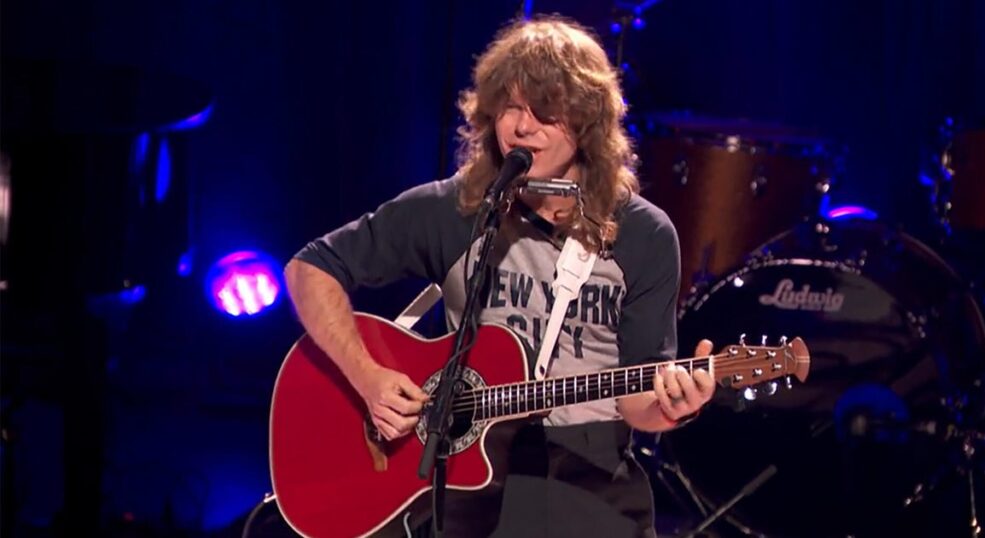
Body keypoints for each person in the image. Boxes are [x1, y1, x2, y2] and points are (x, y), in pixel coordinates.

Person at [284, 15, 716, 538]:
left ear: (587, 122)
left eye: (545, 111)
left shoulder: (643, 234)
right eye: (510, 107)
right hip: (463, 478)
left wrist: (673, 407)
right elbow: (310, 269)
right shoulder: (457, 208)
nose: (522, 127)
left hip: (587, 481)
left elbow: (638, 401)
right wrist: (367, 377)